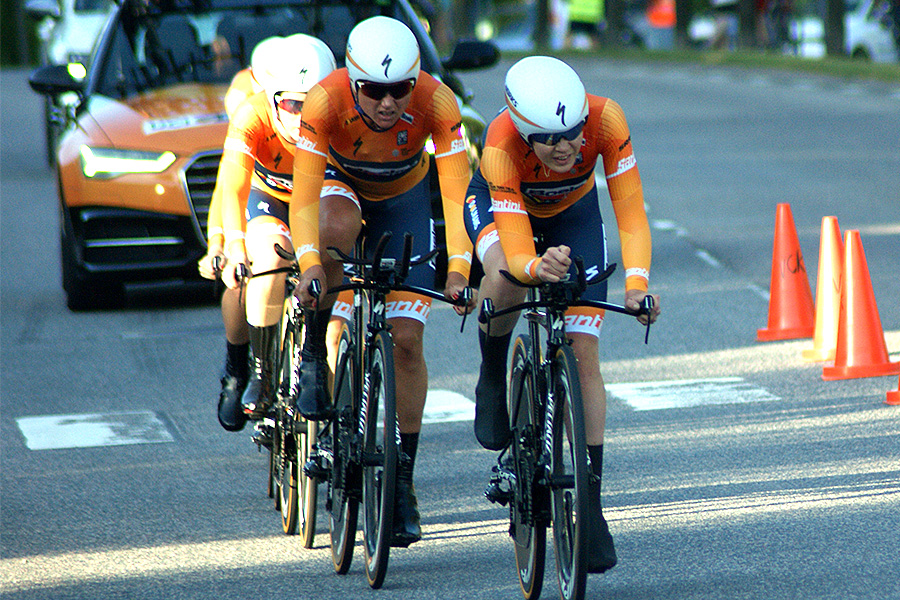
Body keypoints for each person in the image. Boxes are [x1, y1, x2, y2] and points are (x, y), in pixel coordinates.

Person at [463, 56, 661, 573]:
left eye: (574, 133)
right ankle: (492, 373)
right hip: (504, 211)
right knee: (506, 275)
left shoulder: (607, 120)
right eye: (551, 140)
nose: (568, 146)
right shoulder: (501, 145)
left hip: (574, 213)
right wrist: (534, 265)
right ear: (527, 134)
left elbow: (631, 212)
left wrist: (637, 287)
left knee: (583, 349)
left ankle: (590, 504)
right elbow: (518, 250)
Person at [289, 16, 476, 547]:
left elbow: (457, 194)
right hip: (338, 186)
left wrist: (460, 270)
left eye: (401, 89)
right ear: (352, 81)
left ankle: (401, 483)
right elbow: (302, 197)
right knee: (335, 228)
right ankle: (312, 348)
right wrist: (308, 267)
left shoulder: (439, 103)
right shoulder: (324, 101)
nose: (389, 103)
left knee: (409, 342)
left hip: (404, 200)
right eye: (374, 90)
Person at [212, 34, 339, 430]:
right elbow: (232, 186)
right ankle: (250, 370)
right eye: (292, 104)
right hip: (267, 197)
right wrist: (232, 246)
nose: (304, 116)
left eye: (314, 104)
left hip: (317, 200)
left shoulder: (343, 120)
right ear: (272, 99)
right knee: (262, 263)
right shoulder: (252, 115)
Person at [197, 42, 268, 432]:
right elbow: (229, 189)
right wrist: (219, 245)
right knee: (238, 282)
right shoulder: (246, 115)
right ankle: (237, 368)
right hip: (251, 199)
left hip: (297, 200)